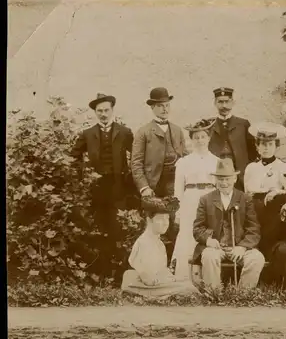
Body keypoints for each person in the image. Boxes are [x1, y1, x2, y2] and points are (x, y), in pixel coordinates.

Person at [71, 93, 133, 274]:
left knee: (117, 226)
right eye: (100, 111)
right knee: (99, 226)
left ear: (112, 110)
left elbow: (137, 156)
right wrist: (83, 177)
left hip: (118, 187)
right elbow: (73, 157)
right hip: (96, 188)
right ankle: (100, 270)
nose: (103, 114)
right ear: (95, 113)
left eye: (106, 110)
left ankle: (119, 270)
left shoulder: (124, 132)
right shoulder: (87, 134)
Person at [131, 87, 189, 257]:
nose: (165, 109)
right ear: (153, 108)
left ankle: (174, 264)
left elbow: (185, 158)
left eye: (167, 105)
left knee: (175, 225)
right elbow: (136, 163)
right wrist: (144, 188)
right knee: (155, 226)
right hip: (154, 185)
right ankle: (153, 263)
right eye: (161, 106)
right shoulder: (143, 132)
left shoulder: (177, 131)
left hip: (175, 184)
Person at [192, 158, 265, 290]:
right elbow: (197, 228)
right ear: (216, 180)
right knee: (209, 256)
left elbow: (253, 228)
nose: (224, 183)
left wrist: (242, 247)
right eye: (220, 179)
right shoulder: (206, 200)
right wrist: (208, 240)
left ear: (235, 179)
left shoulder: (245, 199)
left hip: (239, 247)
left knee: (257, 258)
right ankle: (213, 294)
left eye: (227, 179)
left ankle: (243, 294)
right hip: (216, 247)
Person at [121, 196, 199, 298]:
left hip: (158, 283)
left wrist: (170, 277)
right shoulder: (143, 242)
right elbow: (148, 278)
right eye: (161, 219)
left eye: (167, 219)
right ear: (149, 220)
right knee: (188, 288)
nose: (166, 223)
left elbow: (161, 270)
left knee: (186, 282)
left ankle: (168, 293)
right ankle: (157, 295)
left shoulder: (160, 244)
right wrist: (164, 280)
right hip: (145, 285)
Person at [171, 118, 220, 279]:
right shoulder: (183, 162)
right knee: (188, 234)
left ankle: (206, 279)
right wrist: (178, 211)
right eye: (196, 137)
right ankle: (184, 278)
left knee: (206, 234)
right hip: (190, 200)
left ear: (208, 138)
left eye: (203, 136)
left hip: (209, 200)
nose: (200, 140)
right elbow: (178, 189)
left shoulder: (216, 161)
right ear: (191, 139)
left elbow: (220, 187)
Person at [244, 122, 286, 257]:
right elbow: (248, 191)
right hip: (253, 208)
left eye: (270, 144)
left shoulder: (283, 167)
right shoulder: (251, 167)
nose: (266, 148)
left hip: (272, 207)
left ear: (276, 147)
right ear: (257, 146)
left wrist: (276, 192)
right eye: (263, 144)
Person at [208, 87, 258, 191]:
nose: (224, 106)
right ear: (215, 103)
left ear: (233, 102)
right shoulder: (209, 126)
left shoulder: (243, 124)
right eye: (220, 102)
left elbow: (253, 152)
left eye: (227, 101)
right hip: (217, 176)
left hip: (239, 177)